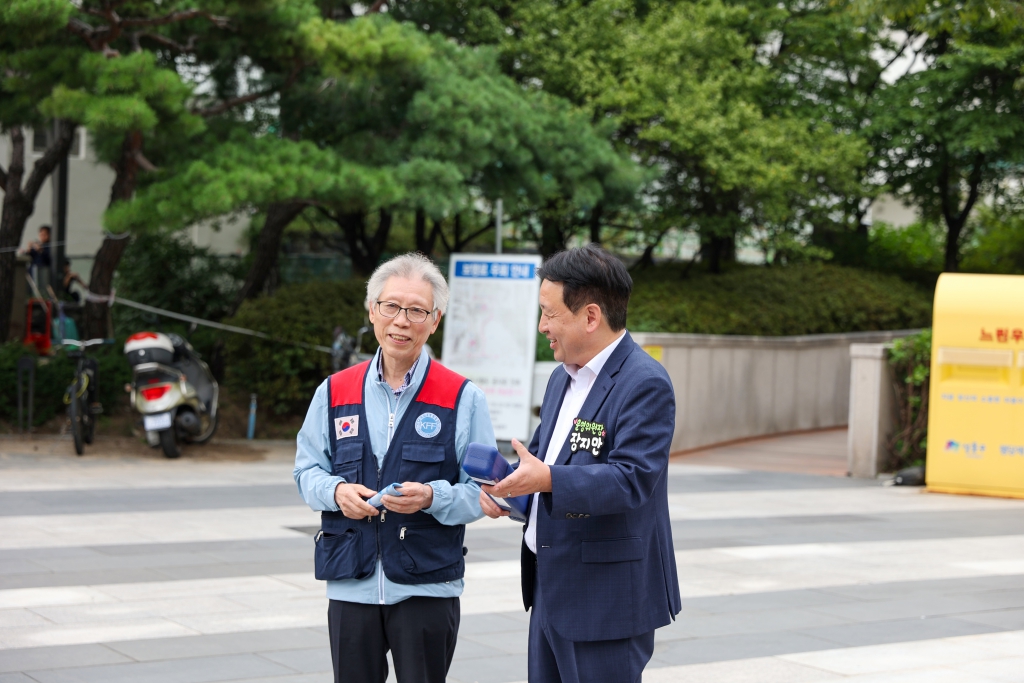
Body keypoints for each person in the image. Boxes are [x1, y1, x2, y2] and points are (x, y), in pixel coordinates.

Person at [480, 244, 682, 683]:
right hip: (551, 587)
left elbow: (631, 480)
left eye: (549, 314)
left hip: (605, 601)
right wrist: (509, 489)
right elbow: (543, 462)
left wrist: (547, 479)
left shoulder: (644, 382)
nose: (542, 326)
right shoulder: (561, 378)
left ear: (591, 316)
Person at [293, 253, 494, 683]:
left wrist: (433, 496)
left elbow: (484, 490)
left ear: (434, 320)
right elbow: (306, 471)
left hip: (426, 586)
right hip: (351, 581)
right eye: (391, 306)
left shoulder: (463, 397)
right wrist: (335, 492)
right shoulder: (333, 391)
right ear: (372, 311)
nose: (401, 321)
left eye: (417, 310)